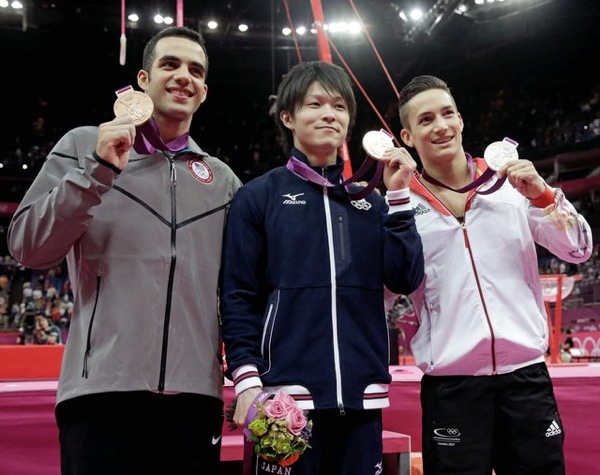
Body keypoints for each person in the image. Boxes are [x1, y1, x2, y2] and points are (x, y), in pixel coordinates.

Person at [8, 26, 242, 475]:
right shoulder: (84, 145)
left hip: (195, 399)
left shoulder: (225, 182)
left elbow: (242, 289)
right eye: (169, 65)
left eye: (195, 70)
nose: (183, 77)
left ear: (205, 92)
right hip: (100, 394)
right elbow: (28, 248)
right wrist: (96, 171)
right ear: (142, 79)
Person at [220, 61, 424, 475]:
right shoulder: (258, 197)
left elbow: (404, 278)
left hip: (361, 395)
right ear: (288, 117)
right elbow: (238, 295)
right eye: (314, 104)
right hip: (285, 400)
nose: (329, 113)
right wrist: (245, 378)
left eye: (338, 106)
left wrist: (399, 199)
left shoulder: (371, 202)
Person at [391, 75, 593, 474]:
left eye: (447, 113)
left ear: (462, 120)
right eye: (426, 119)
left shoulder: (511, 185)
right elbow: (385, 287)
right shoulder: (399, 205)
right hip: (453, 386)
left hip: (526, 379)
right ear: (407, 137)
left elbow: (579, 249)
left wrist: (543, 196)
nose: (441, 126)